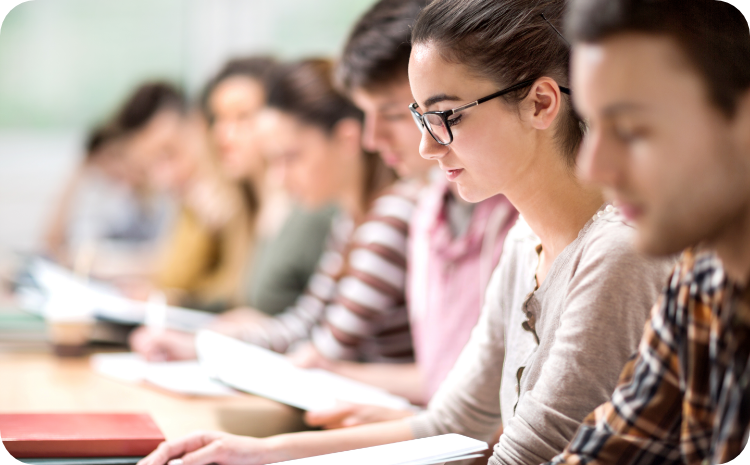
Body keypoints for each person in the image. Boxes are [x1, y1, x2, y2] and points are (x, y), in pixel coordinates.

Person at [136, 1, 673, 464]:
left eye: (446, 116)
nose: (426, 147)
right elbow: (451, 421)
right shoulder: (523, 240)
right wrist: (259, 451)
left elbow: (524, 455)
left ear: (540, 103)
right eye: (420, 118)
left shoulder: (616, 252)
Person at [543, 1, 750, 464]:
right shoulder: (703, 278)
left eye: (633, 129)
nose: (592, 167)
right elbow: (615, 447)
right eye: (594, 126)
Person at [299, 0, 519, 430]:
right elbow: (446, 375)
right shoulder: (425, 210)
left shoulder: (517, 217)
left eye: (397, 114)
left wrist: (418, 423)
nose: (371, 139)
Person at [129, 57, 337, 362]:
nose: (223, 135)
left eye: (243, 118)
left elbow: (318, 325)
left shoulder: (311, 209)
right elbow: (236, 302)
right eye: (219, 119)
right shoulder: (250, 207)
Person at [117, 82, 253, 312]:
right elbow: (173, 278)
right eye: (150, 166)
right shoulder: (194, 198)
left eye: (169, 153)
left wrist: (174, 298)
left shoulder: (238, 189)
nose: (164, 177)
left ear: (200, 127)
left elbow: (241, 293)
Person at [43, 123, 171, 277]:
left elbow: (173, 260)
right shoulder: (119, 199)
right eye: (101, 166)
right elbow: (51, 243)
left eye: (115, 156)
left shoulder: (165, 189)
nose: (110, 170)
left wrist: (111, 265)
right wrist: (79, 172)